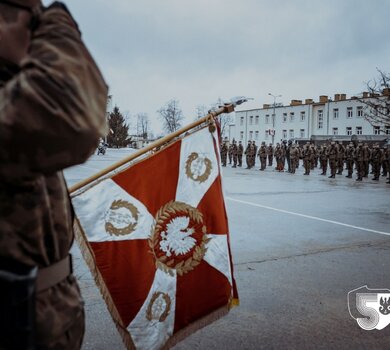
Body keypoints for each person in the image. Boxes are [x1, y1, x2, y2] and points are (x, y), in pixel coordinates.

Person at [0, 1, 108, 349]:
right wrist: (57, 20)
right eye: (33, 21)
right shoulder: (24, 100)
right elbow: (74, 114)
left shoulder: (14, 91)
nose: (38, 35)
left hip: (39, 320)